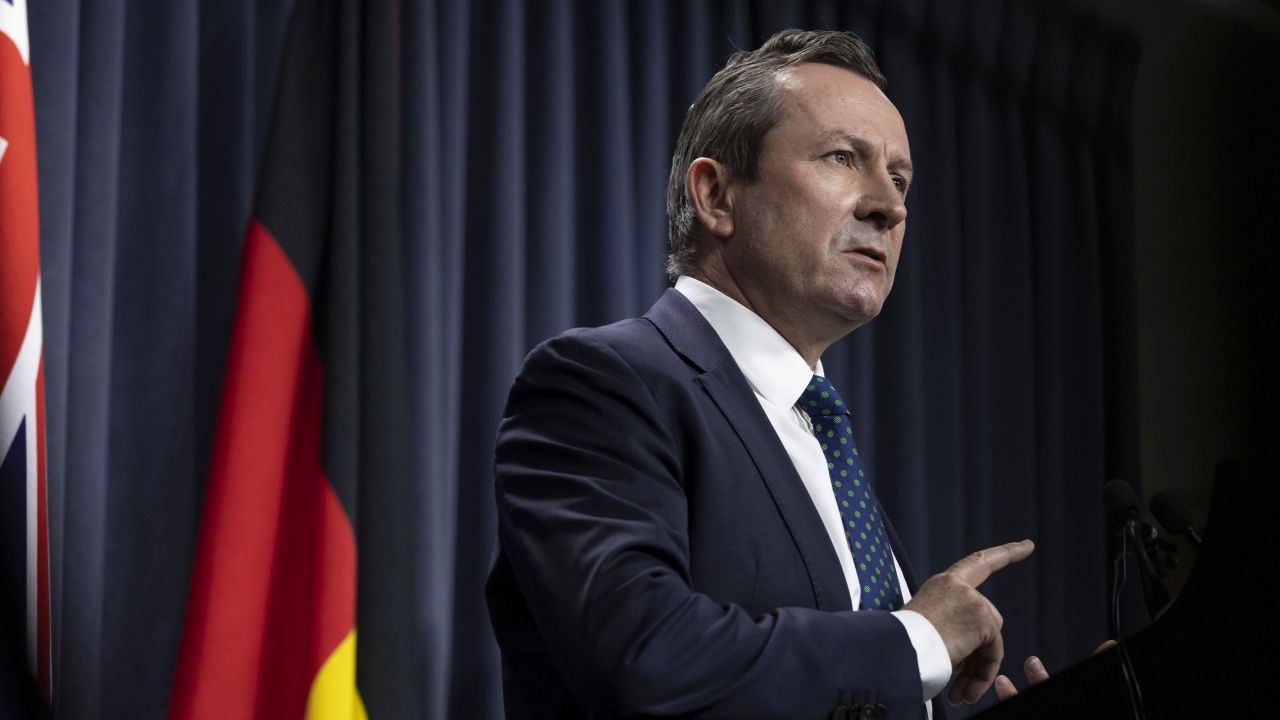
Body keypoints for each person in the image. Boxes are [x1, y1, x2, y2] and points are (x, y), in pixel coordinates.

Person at [487, 29, 1038, 719]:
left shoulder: (819, 433)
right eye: (843, 158)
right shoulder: (605, 384)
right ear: (717, 195)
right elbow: (649, 659)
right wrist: (917, 640)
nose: (890, 206)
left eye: (900, 179)